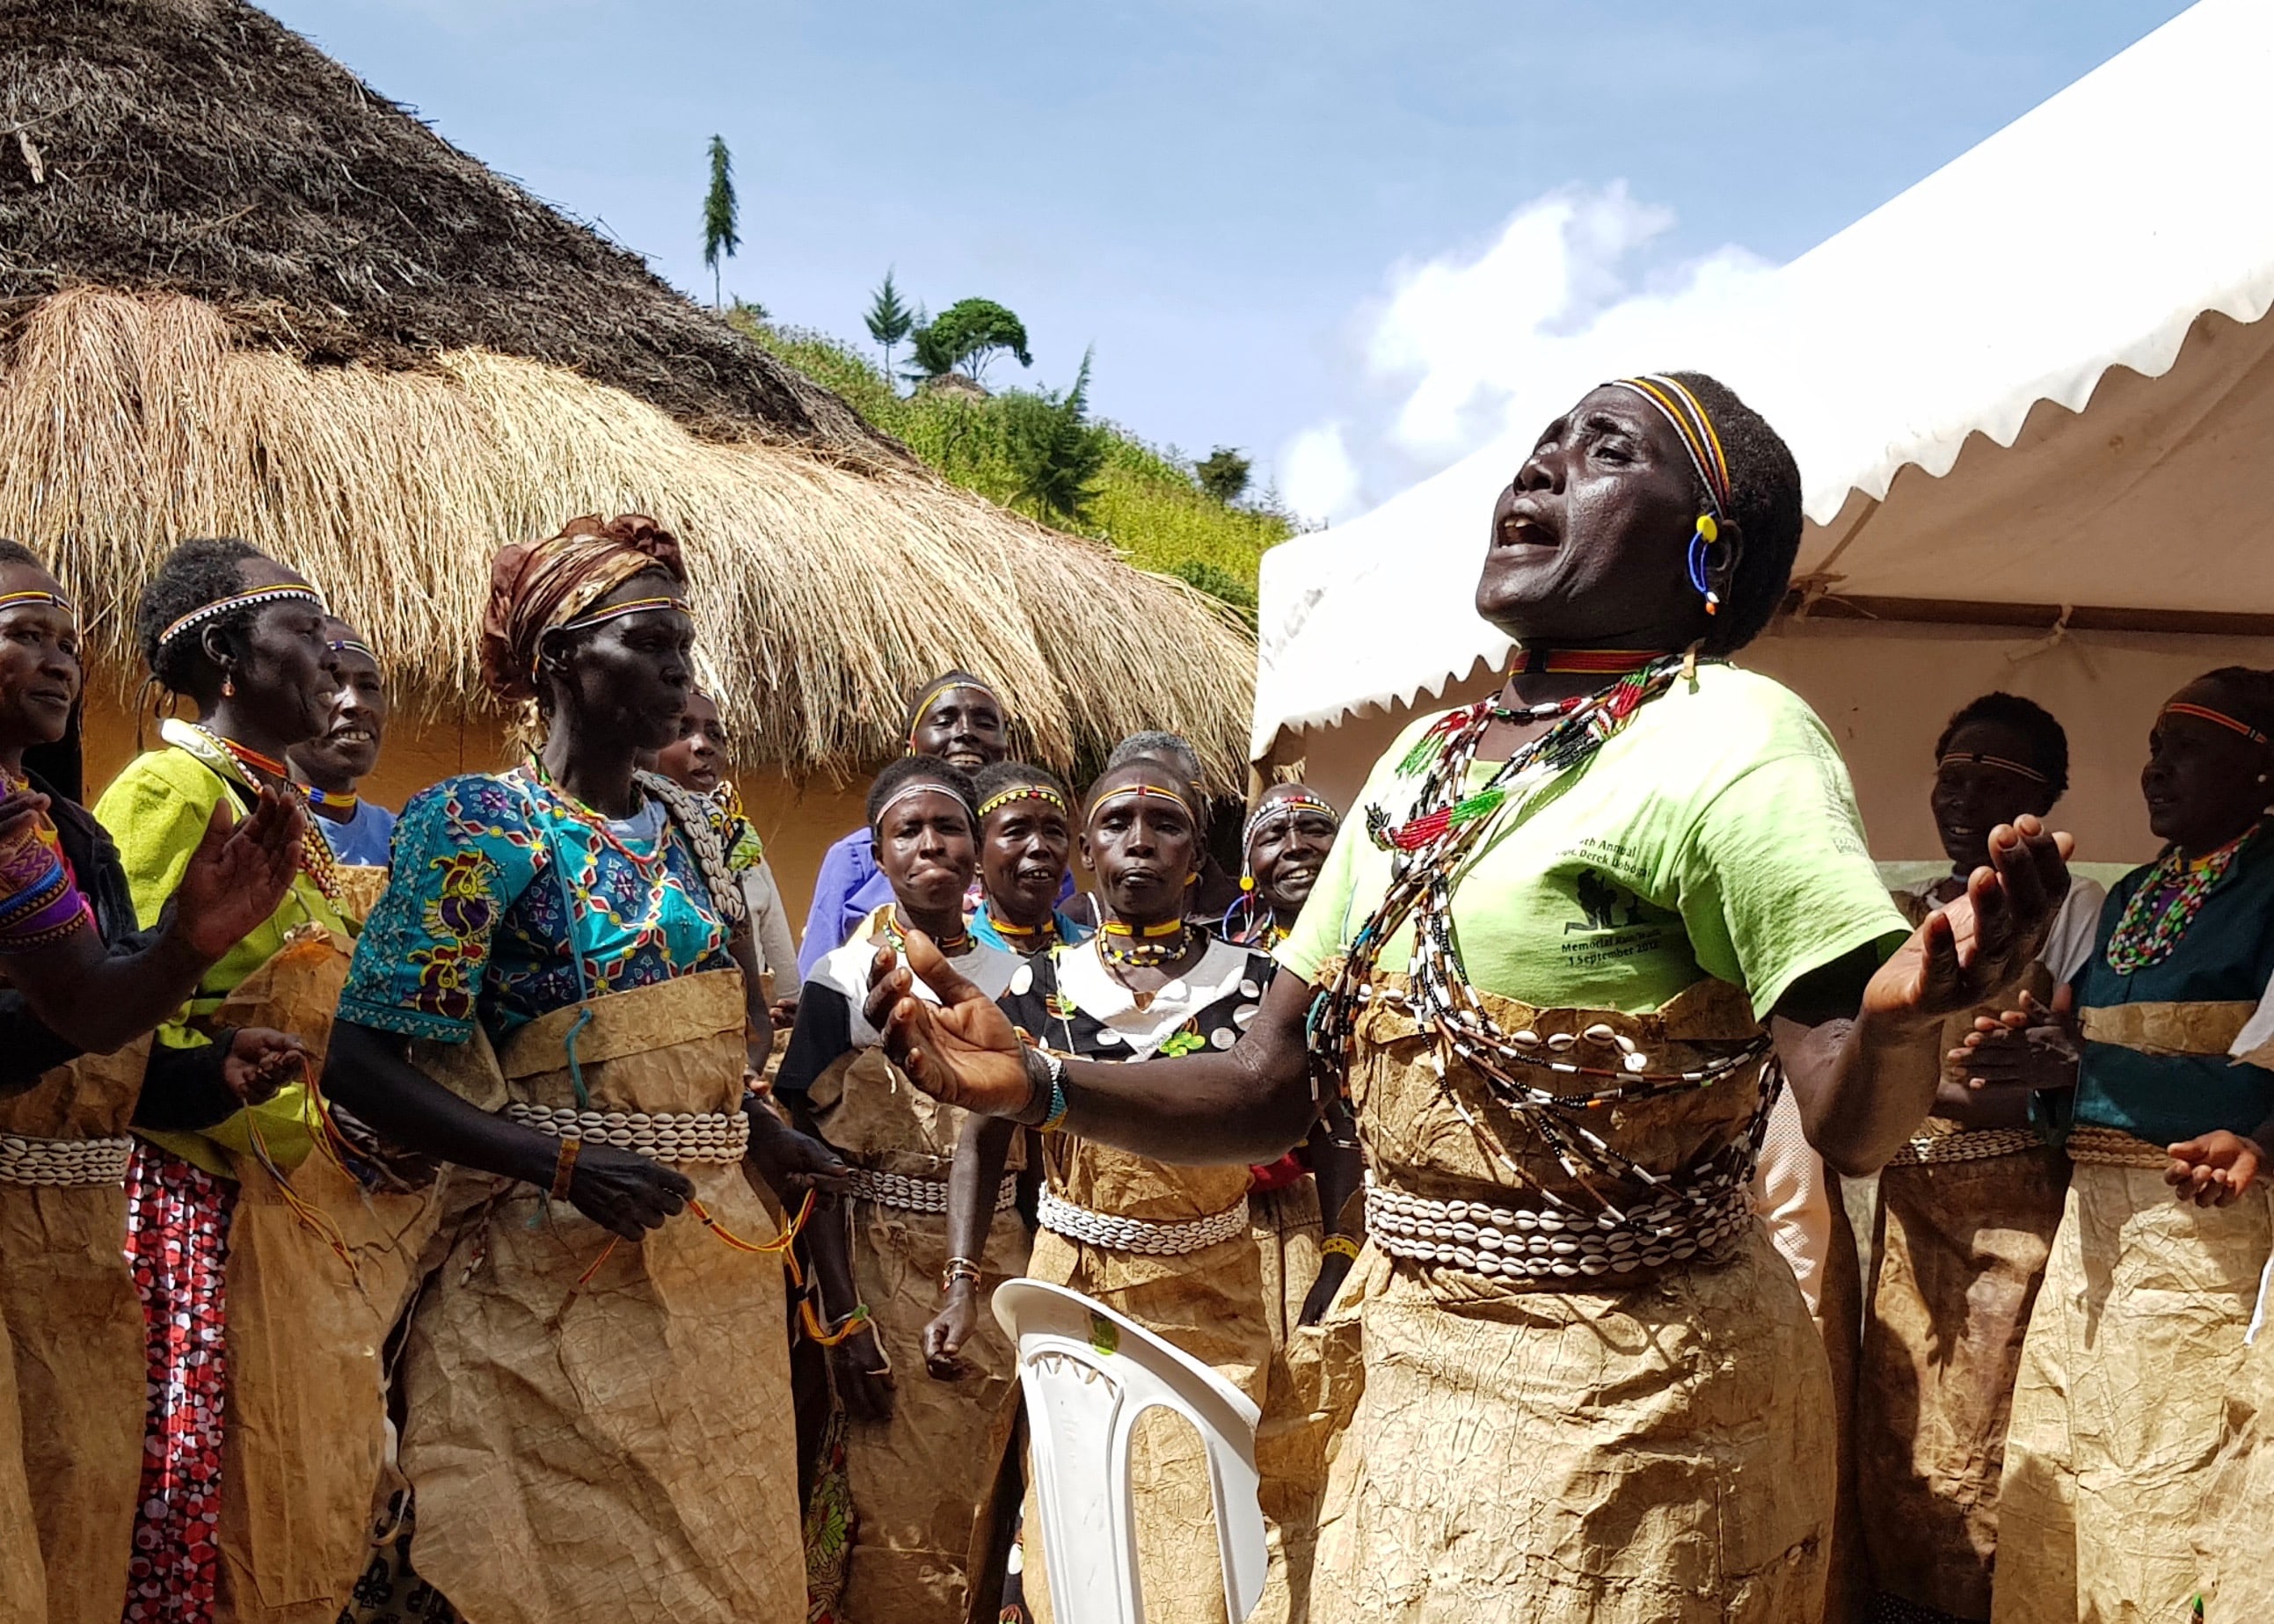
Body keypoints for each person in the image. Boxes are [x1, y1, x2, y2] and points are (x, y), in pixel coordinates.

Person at [865, 372, 2073, 1624]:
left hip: (1631, 1407)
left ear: (1706, 551)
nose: (1539, 467)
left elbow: (1850, 1119)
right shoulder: (1420, 761)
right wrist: (1045, 1077)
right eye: (1543, 440)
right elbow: (1269, 1080)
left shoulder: (1732, 738)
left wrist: (1904, 1016)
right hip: (1404, 1378)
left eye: (1604, 449)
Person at [324, 513, 842, 1624]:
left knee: (722, 1570)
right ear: (560, 656)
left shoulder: (697, 831)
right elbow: (361, 1059)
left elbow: (698, 1054)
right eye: (648, 640)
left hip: (709, 1283)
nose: (678, 668)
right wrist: (557, 1161)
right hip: (542, 1275)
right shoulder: (481, 824)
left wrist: (762, 1135)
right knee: (552, 1567)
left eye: (684, 646)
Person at [95, 537, 436, 1624]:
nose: (332, 657)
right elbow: (104, 1016)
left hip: (278, 1210)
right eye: (301, 631)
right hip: (183, 1206)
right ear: (229, 663)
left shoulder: (277, 802)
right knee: (187, 1492)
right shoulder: (171, 785)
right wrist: (236, 1085)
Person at [0, 542, 308, 1624]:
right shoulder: (157, 794)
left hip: (69, 1246)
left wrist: (199, 1073)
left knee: (75, 1528)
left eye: (65, 641)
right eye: (22, 634)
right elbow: (70, 1012)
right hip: (45, 1220)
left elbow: (95, 1028)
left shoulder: (51, 832)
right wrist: (182, 952)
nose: (57, 662)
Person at [950, 756, 1300, 1623]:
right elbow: (986, 1132)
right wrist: (961, 1278)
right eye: (1114, 824)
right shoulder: (1034, 988)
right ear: (1085, 853)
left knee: (1212, 1512)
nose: (1139, 842)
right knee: (1084, 1509)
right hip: (1076, 1290)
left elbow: (1303, 1121)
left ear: (1199, 858)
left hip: (1212, 1293)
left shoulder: (1258, 987)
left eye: (1166, 823)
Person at [1959, 669, 2274, 1624]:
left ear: (2264, 770)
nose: (2156, 769)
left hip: (2206, 1236)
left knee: (2175, 1489)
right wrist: (2024, 1061)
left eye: (2187, 748)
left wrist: (2077, 1067)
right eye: (2151, 747)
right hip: (2090, 1238)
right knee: (2068, 1476)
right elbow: (2067, 1048)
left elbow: (2267, 1085)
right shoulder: (2135, 891)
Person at [1857, 693, 2105, 1624]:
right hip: (1904, 1218)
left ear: (2050, 795)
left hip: (2015, 1215)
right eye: (1953, 771)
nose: (1964, 794)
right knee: (1897, 1435)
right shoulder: (1903, 909)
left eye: (1997, 780)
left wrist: (2019, 1069)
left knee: (1992, 1439)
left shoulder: (2076, 908)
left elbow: (2062, 1055)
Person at [774, 755, 1029, 1623]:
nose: (931, 844)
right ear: (876, 854)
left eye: (948, 826)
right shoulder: (843, 978)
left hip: (1001, 1263)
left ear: (976, 849)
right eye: (907, 830)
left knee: (990, 1495)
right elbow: (801, 1142)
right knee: (890, 1509)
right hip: (879, 1267)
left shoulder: (1018, 978)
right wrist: (843, 1317)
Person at [798, 672, 1012, 979]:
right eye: (944, 720)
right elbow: (818, 977)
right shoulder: (854, 858)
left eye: (985, 722)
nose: (966, 732)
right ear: (911, 744)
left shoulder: (1032, 853)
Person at [652, 688, 800, 1018]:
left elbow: (783, 972)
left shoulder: (739, 843)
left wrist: (779, 1014)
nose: (703, 745)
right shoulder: (633, 844)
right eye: (681, 730)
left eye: (715, 735)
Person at [286, 617, 396, 878]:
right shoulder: (250, 830)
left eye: (369, 687)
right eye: (330, 684)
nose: (356, 703)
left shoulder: (401, 840)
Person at [968, 760, 1093, 953]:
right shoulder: (952, 963)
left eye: (1054, 832)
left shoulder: (1101, 958)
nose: (1039, 847)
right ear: (976, 853)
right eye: (1017, 832)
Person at [1223, 782, 1341, 949]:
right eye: (1273, 838)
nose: (1295, 846)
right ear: (1249, 873)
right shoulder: (1233, 964)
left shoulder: (1383, 940)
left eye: (1315, 831)